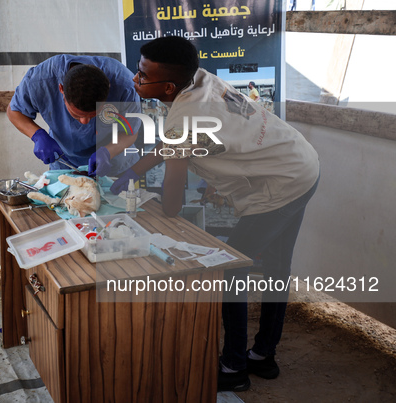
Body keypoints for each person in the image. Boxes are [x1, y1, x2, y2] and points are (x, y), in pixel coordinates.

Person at [110, 36, 320, 392]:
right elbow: (173, 142)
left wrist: (154, 207)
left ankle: (234, 367)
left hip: (280, 187)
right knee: (277, 268)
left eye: (142, 75)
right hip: (301, 164)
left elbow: (173, 202)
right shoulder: (201, 79)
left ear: (169, 86)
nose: (134, 79)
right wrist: (134, 171)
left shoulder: (186, 112)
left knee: (228, 274)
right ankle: (263, 357)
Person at [7, 55, 141, 177]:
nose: (84, 122)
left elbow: (131, 131)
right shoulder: (41, 81)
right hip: (64, 165)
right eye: (77, 115)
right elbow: (14, 111)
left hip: (115, 165)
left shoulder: (125, 86)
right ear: (61, 90)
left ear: (109, 90)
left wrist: (108, 152)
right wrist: (37, 135)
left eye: (93, 115)